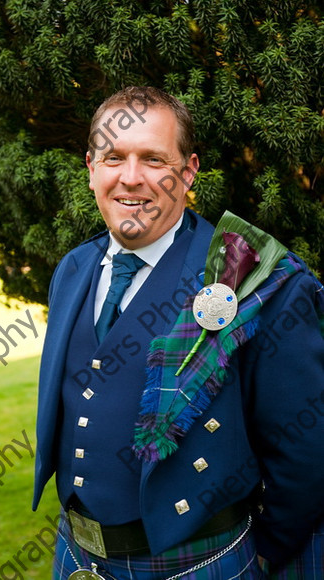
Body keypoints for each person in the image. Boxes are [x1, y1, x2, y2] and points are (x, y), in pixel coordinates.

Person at [33, 86, 324, 579]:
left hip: (201, 564)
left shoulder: (248, 277)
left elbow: (305, 451)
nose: (131, 177)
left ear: (187, 172)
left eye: (152, 159)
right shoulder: (73, 267)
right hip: (76, 558)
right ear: (90, 168)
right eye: (113, 158)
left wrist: (259, 557)